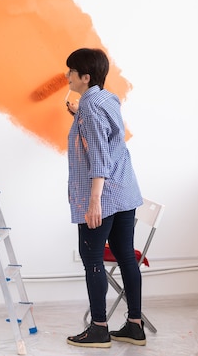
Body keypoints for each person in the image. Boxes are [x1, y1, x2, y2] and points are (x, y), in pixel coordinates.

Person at [63, 48, 145, 348]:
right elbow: (108, 138)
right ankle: (135, 326)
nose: (66, 76)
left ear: (85, 77)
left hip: (105, 196)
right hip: (125, 192)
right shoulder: (105, 99)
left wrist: (94, 201)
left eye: (71, 71)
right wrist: (79, 117)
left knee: (92, 259)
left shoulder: (90, 110)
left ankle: (99, 329)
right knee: (125, 256)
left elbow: (98, 158)